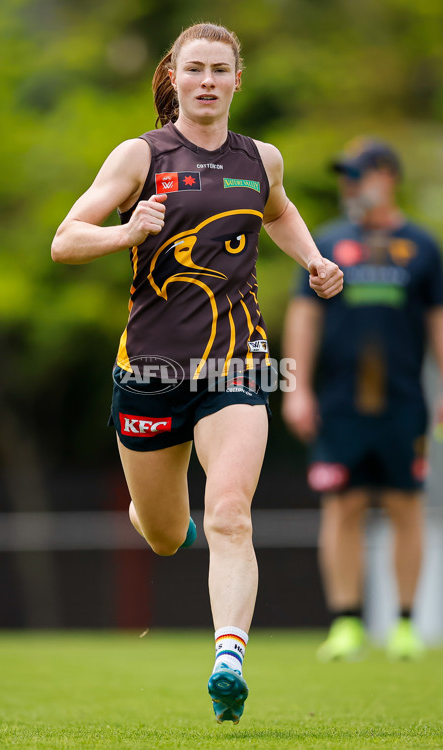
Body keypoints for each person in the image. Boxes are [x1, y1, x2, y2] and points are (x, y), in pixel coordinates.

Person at [51, 23, 343, 722]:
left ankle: (228, 659)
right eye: (195, 70)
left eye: (220, 69)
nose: (207, 80)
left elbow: (280, 210)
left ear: (238, 79)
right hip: (149, 371)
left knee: (231, 514)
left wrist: (311, 258)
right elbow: (64, 240)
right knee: (161, 533)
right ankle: (163, 520)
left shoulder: (261, 160)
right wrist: (126, 231)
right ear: (174, 78)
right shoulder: (140, 156)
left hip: (237, 364)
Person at [282, 137, 443, 661]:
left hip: (404, 401)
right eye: (346, 176)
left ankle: (405, 625)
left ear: (387, 177)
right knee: (342, 506)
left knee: (406, 505)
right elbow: (304, 316)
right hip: (340, 404)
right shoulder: (324, 242)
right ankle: (346, 624)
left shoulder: (423, 247)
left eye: (358, 174)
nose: (349, 185)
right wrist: (295, 389)